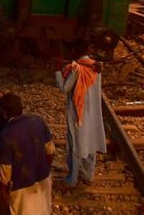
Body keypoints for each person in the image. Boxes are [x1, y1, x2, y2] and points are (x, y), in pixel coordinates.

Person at [55, 40, 106, 188]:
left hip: (78, 114)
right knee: (90, 143)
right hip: (93, 113)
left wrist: (58, 71)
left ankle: (71, 180)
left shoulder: (77, 68)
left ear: (73, 51)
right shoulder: (96, 67)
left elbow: (65, 88)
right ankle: (88, 175)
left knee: (75, 145)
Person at [0, 93, 55, 215]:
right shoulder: (38, 121)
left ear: (4, 113)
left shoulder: (6, 134)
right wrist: (44, 170)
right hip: (43, 181)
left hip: (21, 188)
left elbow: (5, 171)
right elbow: (50, 151)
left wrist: (4, 193)